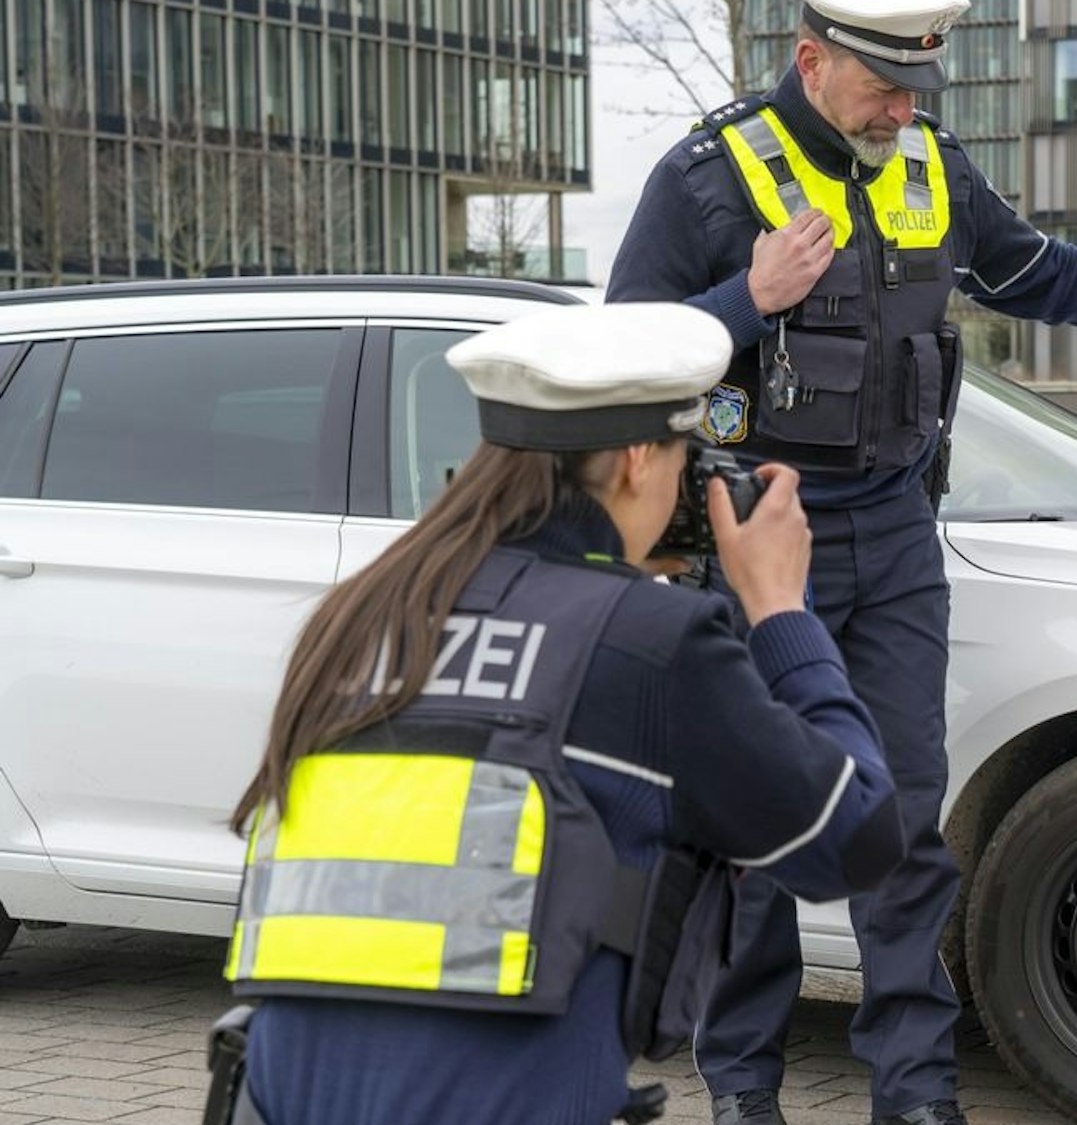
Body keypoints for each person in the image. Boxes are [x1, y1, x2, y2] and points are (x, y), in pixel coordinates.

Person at [606, 4, 1077, 1123]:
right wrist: (749, 297)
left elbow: (1047, 276)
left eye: (915, 90)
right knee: (751, 829)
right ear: (809, 61)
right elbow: (623, 361)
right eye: (882, 88)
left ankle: (915, 1095)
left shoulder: (931, 165)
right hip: (754, 539)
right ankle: (744, 1094)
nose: (903, 110)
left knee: (898, 822)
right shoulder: (709, 176)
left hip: (892, 537)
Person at [213, 302, 906, 1125]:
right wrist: (783, 612)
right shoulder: (648, 644)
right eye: (687, 455)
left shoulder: (356, 618)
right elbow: (856, 835)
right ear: (638, 460)